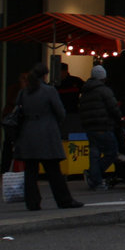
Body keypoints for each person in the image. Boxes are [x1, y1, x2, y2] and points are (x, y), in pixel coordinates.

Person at [12, 63, 84, 211]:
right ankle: (64, 200)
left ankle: (32, 202)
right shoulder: (49, 91)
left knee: (31, 172)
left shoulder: (24, 92)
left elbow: (18, 112)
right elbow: (60, 112)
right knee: (53, 171)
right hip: (46, 133)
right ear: (45, 75)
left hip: (28, 133)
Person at [78, 65, 121, 190]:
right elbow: (113, 108)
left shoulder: (85, 91)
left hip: (89, 127)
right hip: (103, 126)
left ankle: (94, 178)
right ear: (103, 77)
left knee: (94, 153)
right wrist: (119, 120)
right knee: (112, 152)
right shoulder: (104, 90)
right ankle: (94, 176)